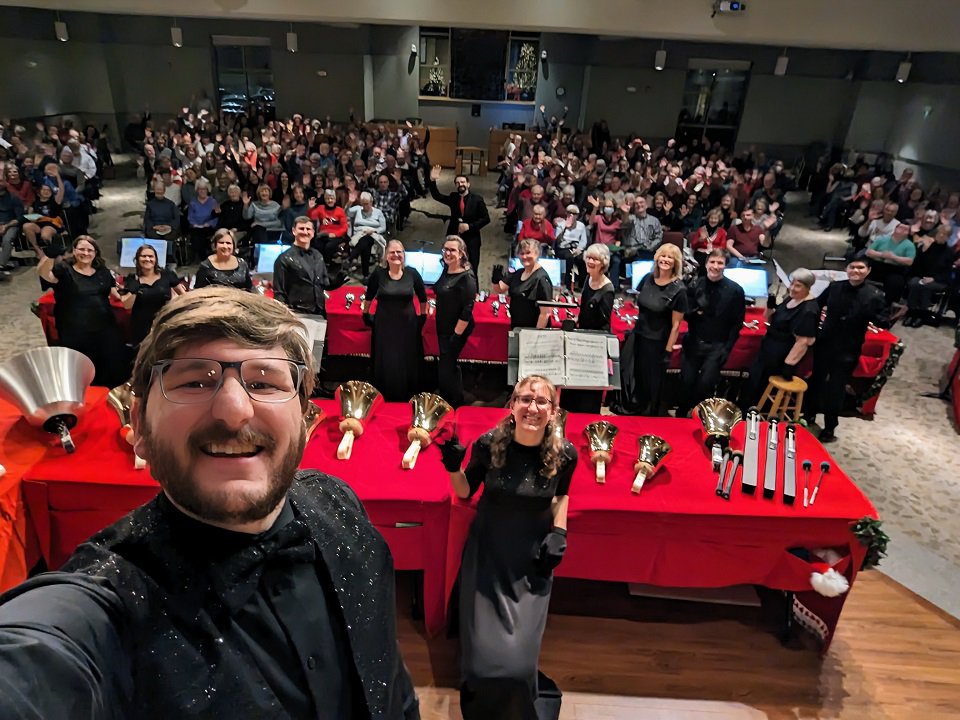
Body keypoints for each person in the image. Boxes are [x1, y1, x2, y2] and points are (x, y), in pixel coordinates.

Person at [0, 288, 420, 718]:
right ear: (139, 423)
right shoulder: (105, 602)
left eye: (263, 382)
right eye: (195, 381)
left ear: (305, 419)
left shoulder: (338, 500)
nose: (234, 410)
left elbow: (389, 678)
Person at [437, 375, 576, 720]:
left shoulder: (564, 453)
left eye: (542, 401)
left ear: (554, 411)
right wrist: (453, 467)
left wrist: (559, 532)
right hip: (488, 553)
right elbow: (466, 491)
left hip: (531, 558)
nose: (533, 407)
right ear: (512, 405)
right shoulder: (489, 444)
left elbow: (560, 495)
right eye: (525, 399)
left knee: (516, 669)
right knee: (484, 669)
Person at [803, 253, 886, 443]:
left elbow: (883, 320)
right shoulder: (835, 287)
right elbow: (816, 306)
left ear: (868, 271)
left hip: (848, 348)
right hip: (825, 342)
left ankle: (830, 427)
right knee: (816, 380)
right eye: (853, 267)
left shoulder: (874, 294)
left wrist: (874, 314)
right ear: (847, 269)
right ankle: (808, 416)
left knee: (836, 388)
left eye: (861, 268)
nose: (856, 271)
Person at [36, 235, 128, 387]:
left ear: (95, 253)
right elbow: (45, 274)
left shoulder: (102, 271)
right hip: (75, 330)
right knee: (81, 372)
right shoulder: (64, 269)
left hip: (104, 327)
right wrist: (49, 257)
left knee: (112, 366)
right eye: (81, 249)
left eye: (89, 250)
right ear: (74, 251)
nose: (85, 253)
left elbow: (117, 294)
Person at [614, 243, 688, 416]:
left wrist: (668, 352)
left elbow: (676, 325)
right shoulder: (648, 278)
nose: (665, 260)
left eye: (670, 257)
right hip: (639, 336)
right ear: (657, 258)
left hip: (657, 344)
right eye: (663, 256)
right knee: (634, 378)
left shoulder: (679, 290)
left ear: (676, 262)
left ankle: (648, 418)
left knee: (651, 385)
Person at [676, 249, 746, 418]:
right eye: (712, 262)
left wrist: (726, 349)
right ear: (706, 264)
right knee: (686, 381)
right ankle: (681, 415)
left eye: (720, 262)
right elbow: (684, 312)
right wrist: (695, 312)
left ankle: (697, 416)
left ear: (725, 265)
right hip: (693, 343)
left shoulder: (735, 291)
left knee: (705, 385)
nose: (715, 266)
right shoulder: (694, 284)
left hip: (717, 346)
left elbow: (736, 324)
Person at [739, 269, 819, 410]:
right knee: (753, 382)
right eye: (792, 283)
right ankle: (745, 411)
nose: (792, 288)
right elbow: (771, 320)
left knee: (762, 387)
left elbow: (804, 341)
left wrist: (788, 365)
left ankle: (757, 416)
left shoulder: (809, 310)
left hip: (780, 356)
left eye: (798, 285)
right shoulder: (791, 298)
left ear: (808, 287)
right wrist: (770, 308)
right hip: (768, 348)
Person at [362, 240, 427, 402]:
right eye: (392, 252)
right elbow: (369, 296)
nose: (396, 255)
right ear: (386, 256)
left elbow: (423, 297)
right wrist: (365, 314)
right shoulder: (379, 274)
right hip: (384, 325)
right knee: (387, 359)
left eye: (400, 252)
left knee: (407, 359)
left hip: (408, 326)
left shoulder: (412, 274)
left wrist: (423, 316)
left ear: (404, 255)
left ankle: (408, 394)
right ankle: (384, 394)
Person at [561, 243, 615, 413]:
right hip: (581, 337)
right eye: (589, 258)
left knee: (588, 392)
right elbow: (584, 307)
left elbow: (604, 322)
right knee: (573, 384)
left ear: (603, 263)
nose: (590, 261)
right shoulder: (588, 279)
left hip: (595, 343)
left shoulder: (607, 290)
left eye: (595, 259)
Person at [434, 236, 477, 407]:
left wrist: (455, 337)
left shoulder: (467, 277)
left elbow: (467, 309)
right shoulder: (447, 269)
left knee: (447, 368)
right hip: (444, 326)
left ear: (461, 253)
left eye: (452, 250)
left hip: (455, 330)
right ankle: (447, 400)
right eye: (446, 249)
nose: (448, 253)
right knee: (445, 368)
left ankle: (454, 403)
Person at [119, 244, 185, 347]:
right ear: (137, 259)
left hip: (163, 322)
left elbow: (183, 296)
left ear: (156, 259)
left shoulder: (167, 274)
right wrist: (135, 287)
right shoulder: (132, 279)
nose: (147, 259)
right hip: (141, 326)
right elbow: (127, 305)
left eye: (151, 256)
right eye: (143, 256)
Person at [428, 166, 490, 275]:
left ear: (468, 184)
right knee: (449, 265)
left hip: (472, 239)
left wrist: (470, 226)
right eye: (457, 183)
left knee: (472, 268)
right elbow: (437, 196)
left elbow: (486, 219)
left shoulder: (477, 199)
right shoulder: (453, 197)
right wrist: (432, 180)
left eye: (463, 182)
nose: (460, 184)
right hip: (454, 237)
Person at [492, 238, 553, 330]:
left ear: (537, 254)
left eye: (528, 253)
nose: (524, 257)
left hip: (532, 330)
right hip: (517, 326)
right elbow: (500, 290)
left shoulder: (542, 278)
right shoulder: (518, 273)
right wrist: (495, 280)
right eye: (521, 253)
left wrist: (536, 336)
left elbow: (545, 313)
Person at [903, 224, 955, 327]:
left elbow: (947, 272)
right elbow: (917, 264)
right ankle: (911, 313)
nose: (940, 235)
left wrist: (933, 278)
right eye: (939, 233)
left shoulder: (949, 252)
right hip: (921, 276)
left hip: (939, 280)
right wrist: (923, 250)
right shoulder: (928, 246)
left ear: (948, 237)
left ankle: (921, 315)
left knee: (926, 287)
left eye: (944, 234)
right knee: (915, 283)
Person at [865, 222, 917, 304]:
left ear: (908, 233)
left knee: (896, 283)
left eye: (905, 229)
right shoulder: (882, 239)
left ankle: (887, 306)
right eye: (901, 227)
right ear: (895, 228)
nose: (902, 230)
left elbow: (909, 261)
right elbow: (868, 252)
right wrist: (882, 254)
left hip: (895, 269)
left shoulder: (910, 245)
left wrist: (894, 257)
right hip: (877, 265)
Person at [346, 191, 387, 279]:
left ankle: (350, 258)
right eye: (363, 204)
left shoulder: (378, 212)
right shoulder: (357, 209)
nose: (366, 206)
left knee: (366, 240)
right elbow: (346, 212)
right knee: (365, 246)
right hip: (359, 235)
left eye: (367, 204)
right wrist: (350, 202)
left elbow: (383, 228)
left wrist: (374, 231)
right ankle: (365, 275)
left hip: (373, 235)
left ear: (371, 202)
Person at [307, 188, 349, 265]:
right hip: (323, 235)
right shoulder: (320, 208)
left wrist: (335, 234)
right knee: (317, 245)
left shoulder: (340, 210)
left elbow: (345, 227)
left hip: (336, 236)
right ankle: (318, 265)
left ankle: (328, 265)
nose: (330, 200)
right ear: (325, 199)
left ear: (335, 199)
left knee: (329, 247)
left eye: (332, 198)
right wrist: (310, 209)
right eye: (327, 198)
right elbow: (312, 219)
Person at [553, 204, 589, 290]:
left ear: (577, 215)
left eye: (574, 213)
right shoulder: (561, 224)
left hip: (576, 248)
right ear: (566, 213)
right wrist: (564, 228)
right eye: (569, 213)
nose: (572, 215)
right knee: (568, 258)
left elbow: (584, 240)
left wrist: (579, 249)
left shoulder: (581, 226)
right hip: (563, 247)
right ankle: (567, 285)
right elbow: (556, 240)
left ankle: (581, 285)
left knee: (582, 259)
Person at [187, 177, 219, 262]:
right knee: (196, 235)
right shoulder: (192, 202)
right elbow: (190, 217)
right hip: (196, 227)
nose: (202, 191)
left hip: (209, 227)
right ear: (197, 190)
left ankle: (204, 258)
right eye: (200, 189)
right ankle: (203, 258)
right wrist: (195, 224)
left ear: (207, 190)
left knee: (202, 235)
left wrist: (209, 223)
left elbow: (217, 217)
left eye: (204, 189)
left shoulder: (213, 202)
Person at [690, 207, 728, 274]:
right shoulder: (701, 230)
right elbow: (693, 246)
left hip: (715, 254)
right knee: (704, 259)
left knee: (711, 259)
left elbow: (723, 247)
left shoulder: (722, 232)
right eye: (711, 218)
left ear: (719, 220)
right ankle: (702, 279)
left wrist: (712, 250)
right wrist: (700, 240)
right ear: (708, 219)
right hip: (701, 254)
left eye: (715, 218)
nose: (713, 220)